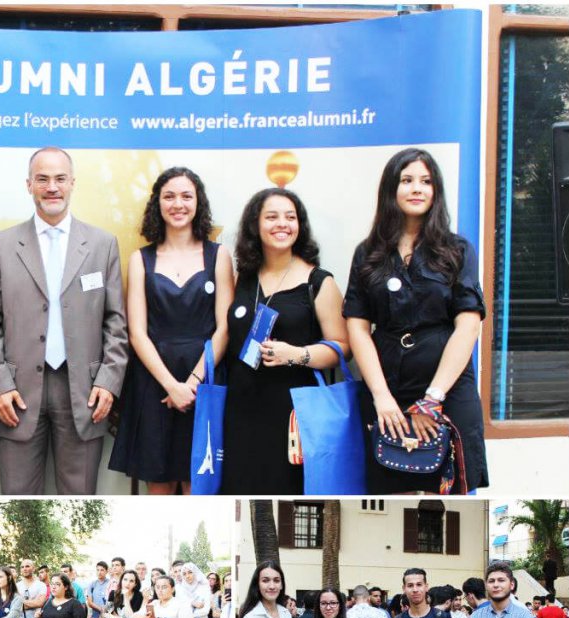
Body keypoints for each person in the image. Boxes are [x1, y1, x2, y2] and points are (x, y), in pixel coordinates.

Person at [0, 146, 128, 494]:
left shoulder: (102, 244)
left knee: (79, 498)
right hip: (16, 394)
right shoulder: (1, 246)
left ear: (73, 183)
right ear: (28, 184)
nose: (52, 187)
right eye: (42, 179)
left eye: (60, 178)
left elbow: (116, 322)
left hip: (85, 391)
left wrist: (108, 381)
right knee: (17, 499)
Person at [344, 147, 488, 493]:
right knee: (390, 484)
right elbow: (357, 327)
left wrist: (432, 398)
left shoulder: (457, 250)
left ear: (435, 191)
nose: (417, 188)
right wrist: (381, 395)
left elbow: (468, 325)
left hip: (447, 389)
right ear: (392, 190)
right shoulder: (368, 252)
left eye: (426, 181)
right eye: (407, 180)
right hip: (387, 387)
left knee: (451, 490)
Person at [109, 166, 233, 492]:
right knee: (159, 483)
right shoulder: (141, 259)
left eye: (186, 196)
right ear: (157, 204)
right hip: (154, 380)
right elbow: (136, 332)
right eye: (169, 196)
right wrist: (171, 385)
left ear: (198, 203)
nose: (178, 204)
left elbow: (224, 329)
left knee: (200, 481)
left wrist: (192, 384)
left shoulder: (218, 256)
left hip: (205, 378)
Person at [222, 187, 350, 494]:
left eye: (290, 217)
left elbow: (343, 346)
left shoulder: (319, 282)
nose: (282, 224)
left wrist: (296, 354)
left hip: (293, 416)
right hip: (240, 411)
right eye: (272, 217)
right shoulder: (244, 278)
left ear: (300, 226)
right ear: (255, 225)